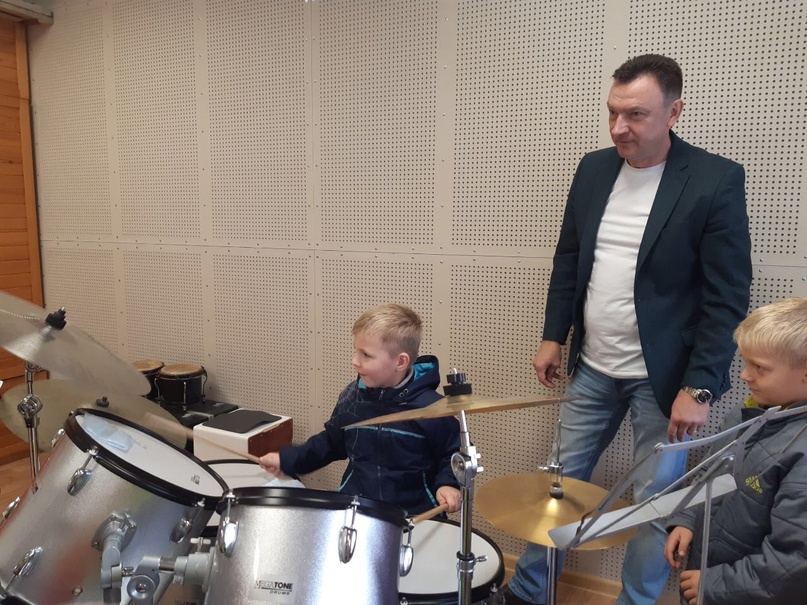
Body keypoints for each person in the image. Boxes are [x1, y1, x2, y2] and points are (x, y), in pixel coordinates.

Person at [502, 54, 752, 605]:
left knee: (654, 505)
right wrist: (553, 334)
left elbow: (727, 296)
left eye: (635, 115)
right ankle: (527, 591)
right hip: (593, 366)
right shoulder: (594, 169)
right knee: (557, 487)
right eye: (613, 113)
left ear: (674, 112)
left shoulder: (714, 180)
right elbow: (570, 259)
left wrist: (700, 387)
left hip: (666, 381)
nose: (619, 128)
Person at [664, 297, 807, 605]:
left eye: (759, 367)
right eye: (746, 363)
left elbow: (794, 562)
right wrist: (687, 519)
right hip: (709, 571)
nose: (744, 375)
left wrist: (715, 585)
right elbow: (708, 472)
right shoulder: (745, 416)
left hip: (736, 590)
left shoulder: (801, 454)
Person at [258, 302, 461, 515]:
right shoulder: (353, 398)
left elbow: (454, 453)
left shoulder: (431, 409)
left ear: (400, 362)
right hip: (358, 510)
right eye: (356, 351)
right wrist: (287, 459)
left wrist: (448, 483)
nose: (354, 361)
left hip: (414, 514)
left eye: (366, 355)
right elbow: (330, 443)